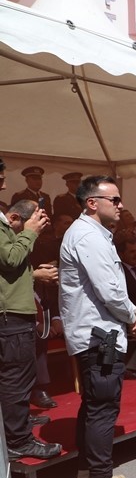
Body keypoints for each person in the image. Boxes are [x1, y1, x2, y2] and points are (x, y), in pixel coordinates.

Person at [59, 175, 136, 478]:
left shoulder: (93, 234)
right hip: (101, 336)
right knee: (103, 408)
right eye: (115, 200)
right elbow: (109, 290)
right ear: (92, 203)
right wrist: (133, 314)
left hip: (98, 334)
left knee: (94, 406)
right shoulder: (87, 236)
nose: (121, 205)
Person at [0, 185, 62, 460]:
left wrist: (33, 274)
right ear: (15, 218)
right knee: (16, 379)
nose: (4, 185)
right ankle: (18, 440)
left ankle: (17, 424)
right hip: (11, 316)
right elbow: (11, 259)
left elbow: (7, 272)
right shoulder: (7, 227)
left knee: (18, 378)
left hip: (13, 313)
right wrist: (30, 233)